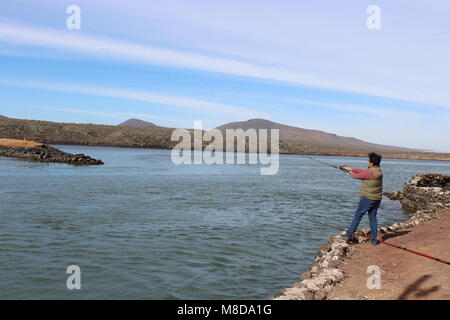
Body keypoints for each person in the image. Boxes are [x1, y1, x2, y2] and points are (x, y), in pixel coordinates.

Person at [341, 152, 383, 245]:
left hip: (368, 198)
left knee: (358, 215)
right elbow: (362, 171)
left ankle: (348, 235)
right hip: (377, 198)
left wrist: (349, 172)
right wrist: (350, 168)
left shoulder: (369, 172)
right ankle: (374, 239)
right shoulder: (378, 171)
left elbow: (356, 175)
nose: (368, 162)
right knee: (373, 217)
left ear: (371, 163)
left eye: (368, 161)